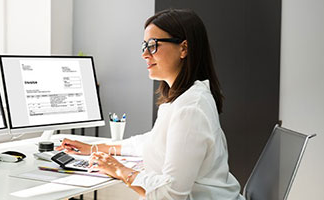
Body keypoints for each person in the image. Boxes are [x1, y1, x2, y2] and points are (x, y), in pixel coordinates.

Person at [56, 9, 244, 200]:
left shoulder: (191, 108)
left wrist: (120, 170)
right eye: (144, 45)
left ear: (184, 48)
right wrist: (96, 148)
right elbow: (152, 142)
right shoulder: (182, 99)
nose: (145, 54)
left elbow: (170, 195)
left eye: (153, 45)